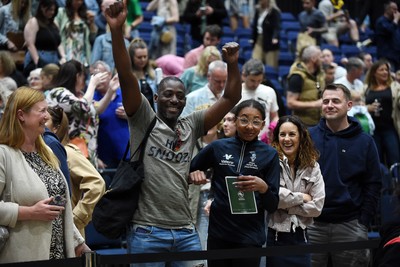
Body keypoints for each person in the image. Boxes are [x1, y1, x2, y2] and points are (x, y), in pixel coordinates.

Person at [105, 2, 241, 267]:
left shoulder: (191, 124)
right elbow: (125, 75)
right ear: (155, 97)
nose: (174, 100)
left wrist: (232, 65)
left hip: (186, 230)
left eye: (180, 96)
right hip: (147, 231)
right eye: (167, 94)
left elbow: (232, 97)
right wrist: (117, 30)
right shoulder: (143, 118)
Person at [0, 87, 89, 263]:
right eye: (42, 111)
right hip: (22, 257)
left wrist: (78, 243)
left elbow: (58, 209)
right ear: (21, 115)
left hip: (60, 256)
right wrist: (29, 212)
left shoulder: (47, 152)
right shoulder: (3, 154)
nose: (47, 116)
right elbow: (39, 212)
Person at [190, 99, 280, 267]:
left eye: (256, 121)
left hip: (250, 237)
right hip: (219, 234)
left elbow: (273, 205)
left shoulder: (270, 154)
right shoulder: (218, 147)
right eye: (244, 119)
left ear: (263, 124)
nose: (249, 126)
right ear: (236, 120)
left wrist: (264, 188)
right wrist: (195, 173)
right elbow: (190, 169)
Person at [308, 83, 382, 267]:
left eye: (335, 101)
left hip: (350, 225)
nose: (329, 105)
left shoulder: (365, 141)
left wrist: (363, 221)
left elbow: (373, 183)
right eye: (325, 101)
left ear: (349, 105)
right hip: (312, 225)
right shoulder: (308, 137)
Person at [267, 115, 325, 267]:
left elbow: (317, 207)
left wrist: (286, 205)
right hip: (274, 238)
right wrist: (303, 197)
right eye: (282, 134)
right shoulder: (269, 162)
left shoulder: (313, 166)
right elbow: (273, 198)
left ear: (301, 137)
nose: (287, 139)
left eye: (292, 134)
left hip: (302, 239)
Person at [46, 105, 105, 236]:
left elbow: (96, 184)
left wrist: (75, 219)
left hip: (69, 235)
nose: (41, 124)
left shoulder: (68, 152)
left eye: (46, 121)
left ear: (56, 127)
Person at [46, 59, 109, 167]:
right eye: (83, 77)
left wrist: (111, 90)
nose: (84, 82)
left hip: (87, 153)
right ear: (77, 76)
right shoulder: (58, 93)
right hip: (69, 153)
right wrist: (93, 84)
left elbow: (96, 109)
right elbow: (82, 107)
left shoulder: (79, 95)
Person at [92, 60, 130, 169]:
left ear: (109, 75)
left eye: (100, 75)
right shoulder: (91, 98)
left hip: (127, 155)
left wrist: (129, 115)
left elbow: (142, 118)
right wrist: (95, 157)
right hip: (104, 158)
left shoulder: (125, 94)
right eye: (94, 76)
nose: (97, 79)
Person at [364, 60, 400, 167]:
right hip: (372, 131)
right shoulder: (366, 88)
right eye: (382, 70)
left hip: (390, 128)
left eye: (387, 70)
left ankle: (396, 182)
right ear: (374, 72)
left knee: (395, 158)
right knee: (376, 161)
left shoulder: (395, 86)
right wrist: (367, 108)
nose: (385, 72)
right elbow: (358, 107)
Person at [23, 0, 65, 76]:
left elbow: (59, 42)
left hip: (54, 59)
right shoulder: (33, 22)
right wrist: (37, 61)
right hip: (38, 57)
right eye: (50, 10)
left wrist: (63, 57)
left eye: (53, 10)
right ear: (42, 8)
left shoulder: (54, 23)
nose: (52, 12)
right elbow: (30, 44)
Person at [286, 45, 325, 127]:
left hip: (318, 122)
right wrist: (315, 104)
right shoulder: (297, 76)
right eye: (321, 57)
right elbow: (290, 103)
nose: (323, 60)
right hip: (302, 124)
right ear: (313, 59)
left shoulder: (319, 74)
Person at [240, 58, 279, 136]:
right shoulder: (236, 92)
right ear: (244, 76)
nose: (256, 84)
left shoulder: (269, 91)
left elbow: (275, 116)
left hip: (263, 139)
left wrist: (273, 126)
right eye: (252, 80)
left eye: (259, 80)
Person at [55, 0, 96, 67]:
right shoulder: (61, 12)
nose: (79, 2)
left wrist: (91, 22)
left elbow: (92, 36)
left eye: (81, 0)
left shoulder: (85, 14)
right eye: (76, 0)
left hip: (81, 50)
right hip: (66, 48)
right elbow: (56, 31)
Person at [127, 37, 157, 111]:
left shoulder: (153, 75)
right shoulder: (127, 77)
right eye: (139, 57)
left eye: (145, 57)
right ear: (131, 58)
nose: (143, 60)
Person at [251, 0, 281, 68]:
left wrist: (275, 37)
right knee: (255, 62)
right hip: (259, 39)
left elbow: (277, 26)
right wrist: (252, 38)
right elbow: (254, 26)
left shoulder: (274, 11)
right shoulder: (258, 10)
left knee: (270, 65)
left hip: (269, 41)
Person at [375, 1, 400, 72]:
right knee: (389, 79)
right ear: (387, 9)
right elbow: (389, 30)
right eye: (394, 9)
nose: (396, 12)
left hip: (396, 57)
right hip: (387, 58)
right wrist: (395, 20)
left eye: (397, 9)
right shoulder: (381, 21)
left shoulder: (395, 24)